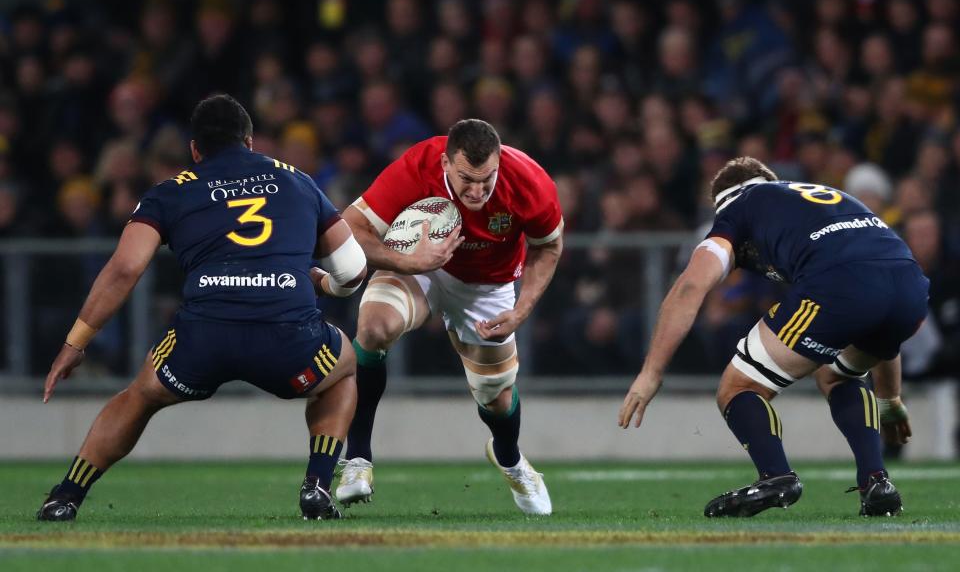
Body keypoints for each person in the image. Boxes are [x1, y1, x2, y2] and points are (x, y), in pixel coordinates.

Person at [37, 94, 367, 522]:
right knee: (342, 369)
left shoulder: (169, 192)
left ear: (195, 150)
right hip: (287, 340)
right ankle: (317, 488)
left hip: (203, 340)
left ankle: (66, 496)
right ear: (249, 142)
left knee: (139, 396)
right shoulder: (298, 180)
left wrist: (76, 343)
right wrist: (322, 283)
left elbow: (124, 269)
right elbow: (354, 270)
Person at [619, 156, 926, 518]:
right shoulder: (828, 197)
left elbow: (690, 288)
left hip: (841, 286)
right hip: (910, 286)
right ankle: (876, 482)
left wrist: (651, 372)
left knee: (738, 388)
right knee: (837, 373)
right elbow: (880, 306)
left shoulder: (737, 209)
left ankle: (775, 476)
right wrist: (889, 399)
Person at [337, 119, 563, 515]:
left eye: (487, 178)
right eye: (466, 179)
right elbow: (349, 230)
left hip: (487, 284)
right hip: (418, 265)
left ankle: (510, 459)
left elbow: (548, 247)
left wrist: (522, 308)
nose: (477, 191)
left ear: (499, 163)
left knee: (496, 397)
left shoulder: (530, 181)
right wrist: (408, 260)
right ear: (445, 163)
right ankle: (357, 460)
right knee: (373, 328)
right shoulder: (416, 167)